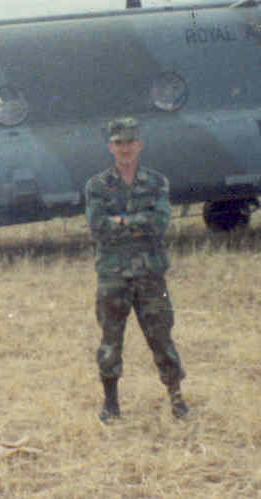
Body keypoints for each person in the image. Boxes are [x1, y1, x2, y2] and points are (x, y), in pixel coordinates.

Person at [84, 117, 187, 422]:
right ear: (110, 147)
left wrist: (122, 222)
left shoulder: (157, 182)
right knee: (110, 340)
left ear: (139, 145)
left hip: (150, 275)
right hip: (113, 276)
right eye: (118, 143)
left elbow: (159, 225)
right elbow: (98, 228)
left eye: (130, 142)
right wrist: (138, 221)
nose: (124, 148)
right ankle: (111, 404)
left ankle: (177, 399)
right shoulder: (97, 186)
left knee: (161, 337)